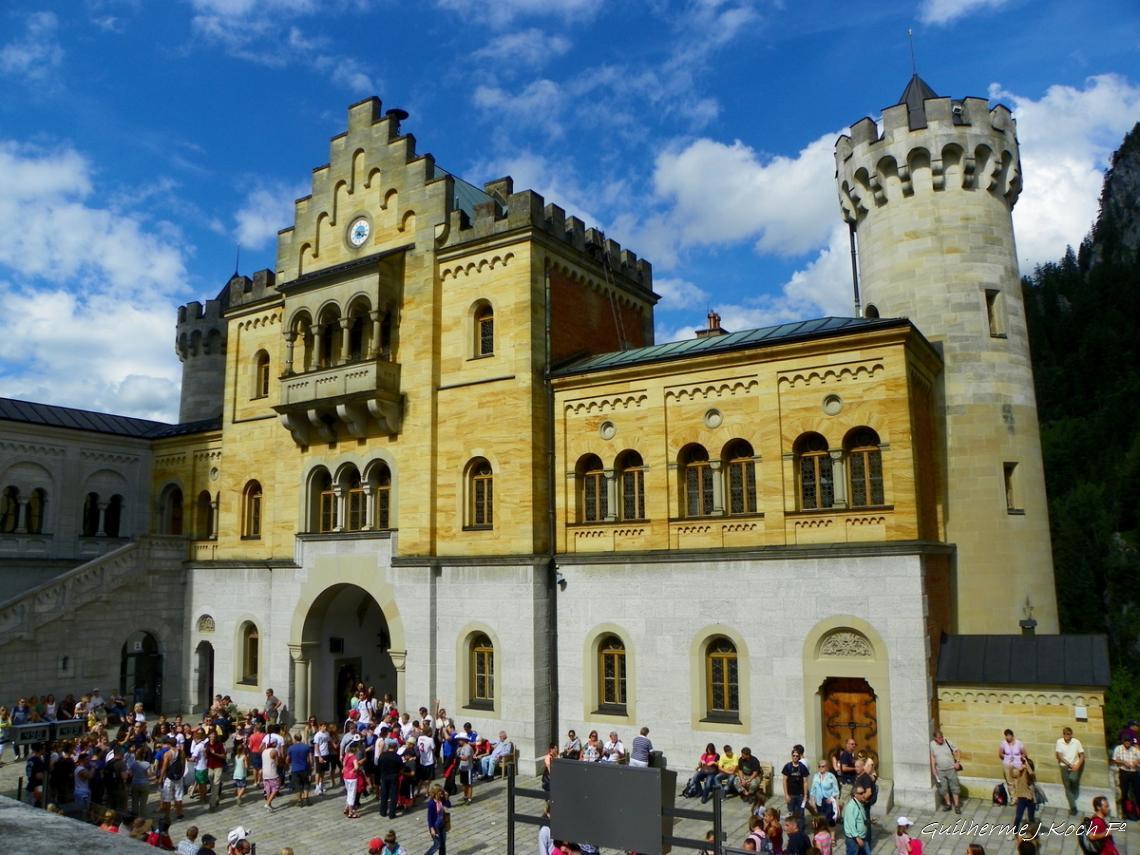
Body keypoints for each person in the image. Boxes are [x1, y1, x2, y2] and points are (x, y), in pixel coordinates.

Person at [930, 730, 962, 814]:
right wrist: (933, 768)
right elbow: (933, 757)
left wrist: (957, 762)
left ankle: (957, 806)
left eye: (941, 737)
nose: (941, 739)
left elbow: (957, 751)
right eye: (939, 738)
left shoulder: (948, 742)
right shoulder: (932, 744)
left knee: (954, 787)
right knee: (943, 789)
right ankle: (948, 804)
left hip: (951, 769)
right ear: (935, 738)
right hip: (940, 770)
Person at [1054, 726, 1085, 816]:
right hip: (1064, 766)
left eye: (1068, 734)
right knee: (1067, 787)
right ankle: (1073, 807)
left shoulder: (1076, 742)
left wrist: (1077, 766)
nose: (1066, 735)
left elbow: (1082, 755)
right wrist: (1069, 764)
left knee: (1073, 779)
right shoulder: (1059, 742)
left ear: (1071, 734)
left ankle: (1074, 791)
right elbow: (1059, 756)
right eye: (1064, 733)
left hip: (1075, 765)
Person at [1112, 733, 1139, 818]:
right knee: (1124, 792)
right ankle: (1124, 813)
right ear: (1123, 741)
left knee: (1137, 792)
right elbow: (1115, 760)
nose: (1128, 742)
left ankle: (1136, 812)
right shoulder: (1118, 749)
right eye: (1126, 741)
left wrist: (1136, 762)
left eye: (1129, 741)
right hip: (1124, 772)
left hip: (1134, 772)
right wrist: (1123, 762)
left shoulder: (1134, 749)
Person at [158, 737, 187, 820]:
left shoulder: (167, 754)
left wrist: (160, 778)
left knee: (167, 797)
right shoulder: (182, 752)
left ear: (169, 744)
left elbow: (164, 767)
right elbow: (183, 765)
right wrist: (181, 774)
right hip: (179, 777)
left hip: (169, 778)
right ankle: (179, 814)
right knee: (178, 796)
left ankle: (167, 815)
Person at [782, 745, 810, 821]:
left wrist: (805, 796)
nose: (795, 757)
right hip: (790, 794)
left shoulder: (802, 767)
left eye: (797, 756)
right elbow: (784, 781)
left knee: (801, 813)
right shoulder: (787, 767)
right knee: (791, 813)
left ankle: (801, 829)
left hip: (800, 794)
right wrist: (786, 794)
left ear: (799, 757)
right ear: (791, 756)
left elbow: (805, 782)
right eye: (793, 756)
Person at [808, 759, 840, 824]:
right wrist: (812, 801)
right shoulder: (816, 776)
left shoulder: (831, 776)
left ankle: (830, 833)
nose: (821, 768)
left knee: (829, 820)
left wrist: (831, 798)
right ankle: (823, 832)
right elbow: (813, 790)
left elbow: (836, 790)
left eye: (823, 766)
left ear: (826, 767)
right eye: (819, 766)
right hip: (819, 802)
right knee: (820, 820)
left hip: (828, 802)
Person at [1010, 754, 1036, 831]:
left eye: (1024, 763)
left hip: (1030, 799)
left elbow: (1031, 774)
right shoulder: (1019, 772)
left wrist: (1027, 765)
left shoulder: (1031, 775)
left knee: (1031, 817)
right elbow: (1012, 773)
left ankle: (1033, 833)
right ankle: (1014, 833)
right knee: (1018, 817)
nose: (1022, 765)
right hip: (1022, 798)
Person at [424, 783, 451, 855]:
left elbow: (448, 805)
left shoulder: (441, 800)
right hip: (435, 827)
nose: (442, 792)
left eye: (442, 791)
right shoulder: (431, 803)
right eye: (440, 791)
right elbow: (430, 818)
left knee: (443, 844)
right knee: (437, 845)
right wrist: (431, 828)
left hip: (442, 825)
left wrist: (447, 797)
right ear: (435, 792)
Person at [287, 732, 313, 807]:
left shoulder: (291, 748)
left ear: (295, 739)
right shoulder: (306, 747)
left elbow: (287, 759)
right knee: (306, 783)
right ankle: (306, 798)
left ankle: (299, 800)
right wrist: (311, 767)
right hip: (305, 767)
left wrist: (288, 763)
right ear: (301, 738)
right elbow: (310, 759)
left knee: (297, 785)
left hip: (295, 769)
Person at [843, 787, 869, 855]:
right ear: (855, 794)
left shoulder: (859, 803)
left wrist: (869, 821)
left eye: (864, 792)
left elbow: (860, 818)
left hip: (862, 837)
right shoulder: (851, 806)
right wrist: (857, 838)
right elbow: (851, 824)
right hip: (854, 839)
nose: (863, 794)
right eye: (861, 793)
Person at [262, 733, 282, 810]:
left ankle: (269, 804)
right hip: (272, 772)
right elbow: (277, 763)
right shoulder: (274, 751)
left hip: (265, 773)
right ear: (273, 743)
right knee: (276, 788)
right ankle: (267, 803)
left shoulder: (264, 751)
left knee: (268, 789)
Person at [456, 733, 475, 805]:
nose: (458, 741)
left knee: (469, 784)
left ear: (463, 740)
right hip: (462, 768)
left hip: (468, 768)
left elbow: (466, 758)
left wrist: (458, 757)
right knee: (464, 784)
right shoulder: (461, 747)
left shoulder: (468, 747)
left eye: (459, 740)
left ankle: (469, 799)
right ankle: (465, 796)